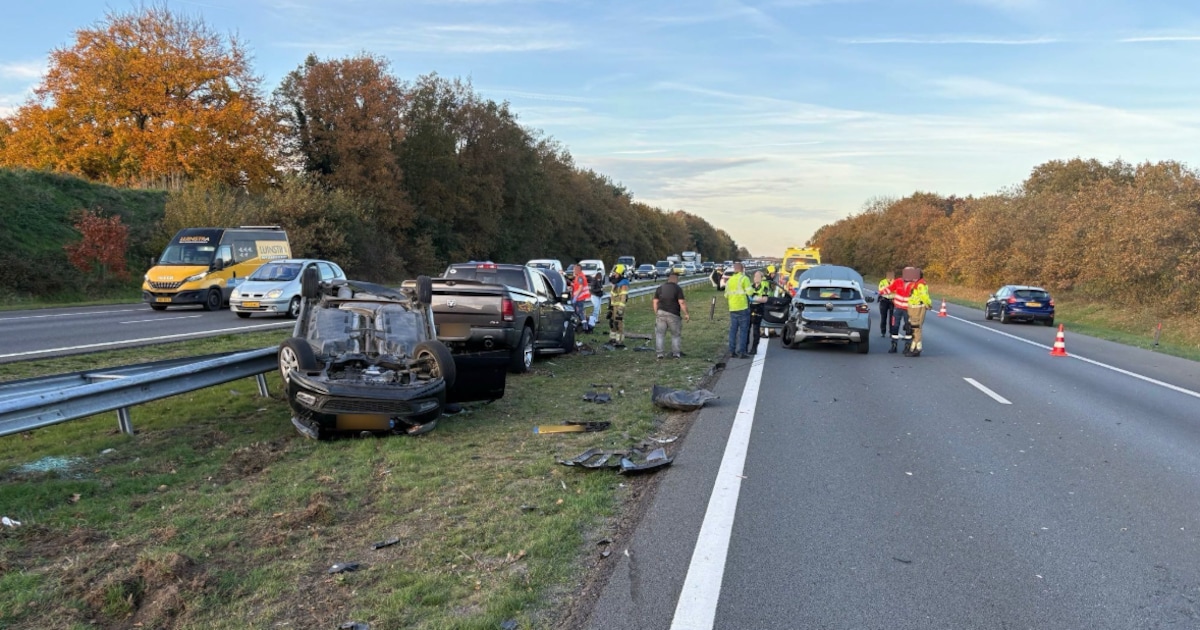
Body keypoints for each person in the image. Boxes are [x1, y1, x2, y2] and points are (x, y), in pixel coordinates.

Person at [653, 271, 690, 359]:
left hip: (661, 313)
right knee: (675, 335)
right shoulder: (677, 288)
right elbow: (681, 302)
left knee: (660, 334)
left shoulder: (660, 288)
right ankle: (676, 354)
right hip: (673, 314)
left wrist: (656, 312)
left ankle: (660, 354)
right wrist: (686, 314)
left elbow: (655, 301)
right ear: (676, 280)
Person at [882, 266, 920, 354]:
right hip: (897, 308)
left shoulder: (915, 284)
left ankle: (907, 346)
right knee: (895, 327)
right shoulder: (898, 281)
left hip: (909, 309)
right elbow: (890, 288)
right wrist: (881, 292)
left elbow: (919, 295)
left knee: (908, 328)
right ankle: (894, 346)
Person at [724, 262, 754, 358]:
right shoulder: (744, 279)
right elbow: (749, 292)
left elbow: (726, 295)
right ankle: (742, 352)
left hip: (732, 308)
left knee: (733, 330)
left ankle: (732, 351)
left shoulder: (730, 281)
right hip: (743, 307)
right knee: (743, 331)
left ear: (734, 269)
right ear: (743, 269)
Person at [905, 270, 932, 357]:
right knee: (914, 328)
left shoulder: (920, 284)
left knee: (916, 328)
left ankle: (916, 349)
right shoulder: (915, 283)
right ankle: (915, 348)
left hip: (918, 308)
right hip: (913, 307)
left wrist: (928, 304)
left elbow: (924, 295)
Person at [607, 264, 631, 348]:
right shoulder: (616, 283)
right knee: (612, 323)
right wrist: (610, 306)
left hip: (619, 307)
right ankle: (612, 339)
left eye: (616, 274)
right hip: (613, 306)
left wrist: (620, 309)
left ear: (620, 274)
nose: (614, 275)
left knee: (618, 323)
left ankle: (619, 340)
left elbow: (623, 297)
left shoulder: (623, 284)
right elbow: (612, 295)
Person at [748, 270, 771, 353]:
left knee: (755, 329)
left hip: (758, 308)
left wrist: (754, 297)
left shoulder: (764, 286)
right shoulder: (751, 286)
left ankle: (754, 348)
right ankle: (745, 348)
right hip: (750, 307)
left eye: (758, 276)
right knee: (747, 329)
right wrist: (758, 298)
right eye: (755, 276)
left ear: (762, 278)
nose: (756, 278)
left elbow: (764, 299)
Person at [570, 264, 591, 331]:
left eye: (575, 269)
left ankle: (585, 327)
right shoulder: (579, 276)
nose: (574, 270)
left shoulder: (580, 277)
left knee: (579, 312)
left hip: (579, 298)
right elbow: (577, 285)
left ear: (578, 270)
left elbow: (580, 287)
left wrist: (575, 296)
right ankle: (582, 326)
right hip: (580, 297)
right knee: (578, 312)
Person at [877, 270, 896, 338]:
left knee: (892, 318)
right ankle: (883, 331)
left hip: (892, 301)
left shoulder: (895, 282)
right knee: (883, 317)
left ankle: (891, 332)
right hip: (884, 300)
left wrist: (889, 289)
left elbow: (897, 290)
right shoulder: (883, 282)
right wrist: (890, 288)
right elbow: (881, 290)